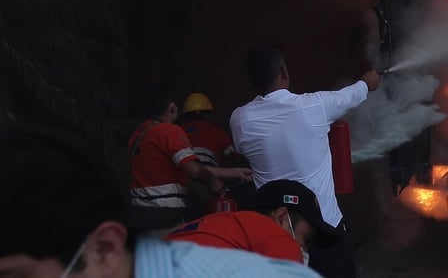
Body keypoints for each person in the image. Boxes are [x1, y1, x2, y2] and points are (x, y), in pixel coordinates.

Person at [0, 124, 321, 278]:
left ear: (103, 249)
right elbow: (195, 170)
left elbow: (194, 168)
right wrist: (220, 177)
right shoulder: (173, 134)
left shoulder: (151, 135)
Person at [230, 46, 380, 278]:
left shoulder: (240, 120)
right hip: (324, 233)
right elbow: (349, 95)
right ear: (283, 72)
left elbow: (242, 147)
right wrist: (366, 82)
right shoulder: (314, 106)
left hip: (274, 237)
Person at [129, 84, 252, 234]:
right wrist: (213, 181)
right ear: (173, 108)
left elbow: (186, 167)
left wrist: (233, 172)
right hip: (164, 215)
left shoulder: (138, 135)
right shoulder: (169, 131)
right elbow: (194, 170)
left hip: (139, 214)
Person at [167, 179, 339, 264]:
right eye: (306, 240)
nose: (304, 250)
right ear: (281, 218)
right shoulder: (274, 235)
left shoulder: (215, 225)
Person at [179, 92, 237, 167]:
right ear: (204, 114)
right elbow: (232, 155)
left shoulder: (178, 131)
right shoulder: (216, 131)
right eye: (210, 114)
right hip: (210, 172)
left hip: (183, 172)